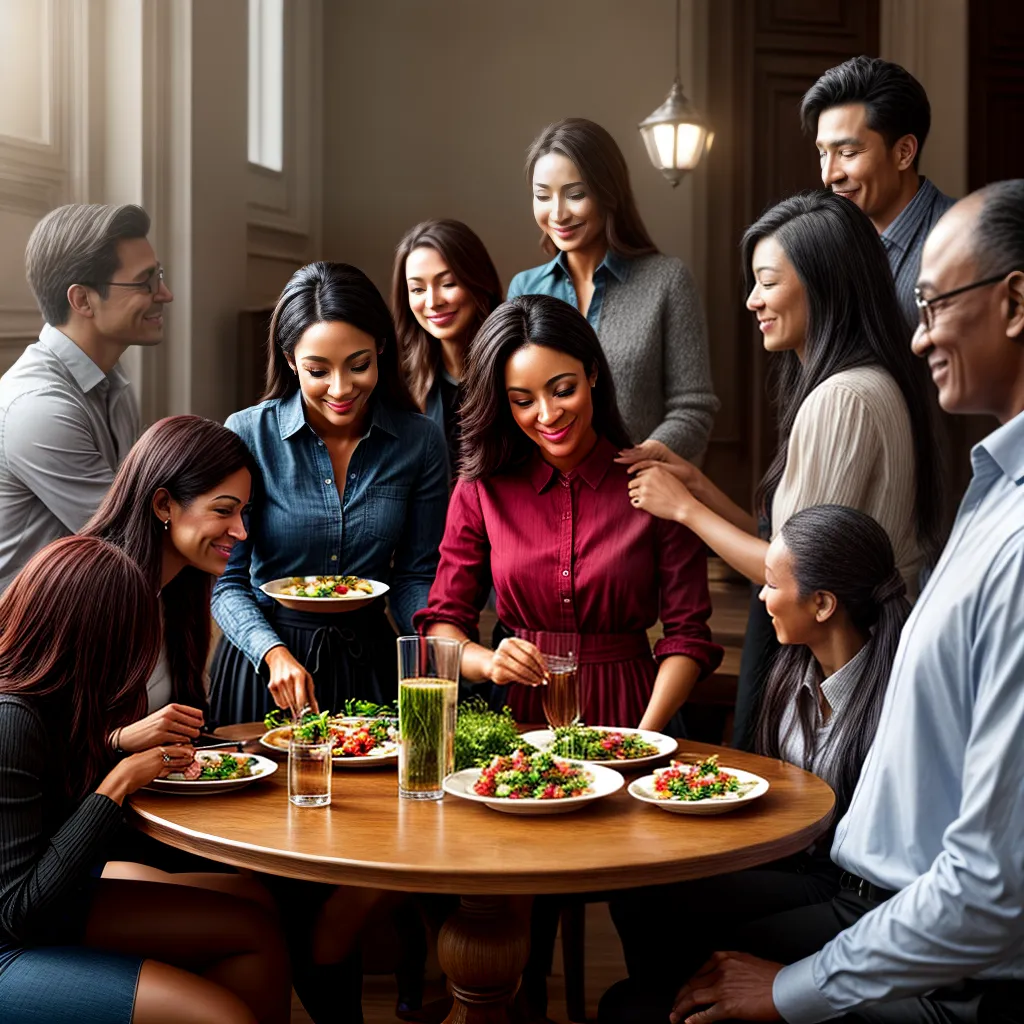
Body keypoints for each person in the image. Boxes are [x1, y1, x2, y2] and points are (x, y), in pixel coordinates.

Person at [667, 181, 1024, 1024]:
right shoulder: (990, 486)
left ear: (1014, 302)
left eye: (936, 300)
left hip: (925, 949)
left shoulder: (854, 400)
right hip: (886, 908)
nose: (919, 328)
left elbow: (990, 884)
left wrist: (796, 989)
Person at [622, 190, 943, 750]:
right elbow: (784, 543)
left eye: (767, 282)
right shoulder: (865, 383)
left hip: (850, 673)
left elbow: (792, 578)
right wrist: (696, 483)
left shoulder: (841, 398)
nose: (752, 301)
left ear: (823, 284)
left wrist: (685, 510)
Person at [599, 505, 911, 1023]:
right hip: (795, 861)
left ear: (823, 604)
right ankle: (663, 1000)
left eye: (771, 584)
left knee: (707, 944)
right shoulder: (791, 670)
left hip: (852, 889)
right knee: (638, 892)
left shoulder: (893, 701)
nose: (762, 597)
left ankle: (664, 1004)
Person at [0, 535, 291, 1024]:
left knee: (253, 918)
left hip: (55, 896)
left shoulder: (45, 698)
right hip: (14, 937)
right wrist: (118, 782)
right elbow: (19, 912)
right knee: (221, 1014)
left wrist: (114, 743)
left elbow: (47, 783)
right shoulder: (10, 718)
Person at [415, 293, 722, 734]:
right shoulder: (481, 487)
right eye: (523, 401)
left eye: (563, 390)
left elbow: (688, 636)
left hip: (634, 712)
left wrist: (643, 737)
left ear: (592, 373)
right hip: (519, 714)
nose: (548, 414)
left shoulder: (654, 486)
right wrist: (489, 662)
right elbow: (444, 624)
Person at [209, 261, 449, 724]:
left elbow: (416, 576)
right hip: (266, 668)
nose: (341, 389)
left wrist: (439, 641)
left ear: (381, 347)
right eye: (318, 370)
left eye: (358, 366)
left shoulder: (420, 441)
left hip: (370, 664)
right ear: (290, 360)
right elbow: (228, 582)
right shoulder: (246, 435)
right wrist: (272, 654)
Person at [506, 118, 718, 461]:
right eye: (543, 196)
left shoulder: (667, 280)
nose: (558, 213)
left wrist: (638, 460)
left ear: (609, 191)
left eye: (575, 194)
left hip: (639, 493)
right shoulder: (525, 288)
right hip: (550, 496)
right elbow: (516, 404)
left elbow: (693, 408)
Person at [0, 203, 171, 592]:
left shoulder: (111, 375)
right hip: (27, 645)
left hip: (82, 618)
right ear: (82, 301)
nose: (165, 294)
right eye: (145, 281)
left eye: (158, 276)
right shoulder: (38, 407)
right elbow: (129, 545)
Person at [801, 56, 955, 330]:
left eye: (847, 153)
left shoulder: (965, 242)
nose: (829, 175)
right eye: (823, 153)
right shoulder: (828, 242)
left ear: (904, 152)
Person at [392, 218, 503, 475]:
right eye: (417, 289)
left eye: (448, 283)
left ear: (479, 281)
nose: (432, 302)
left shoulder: (514, 364)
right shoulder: (401, 378)